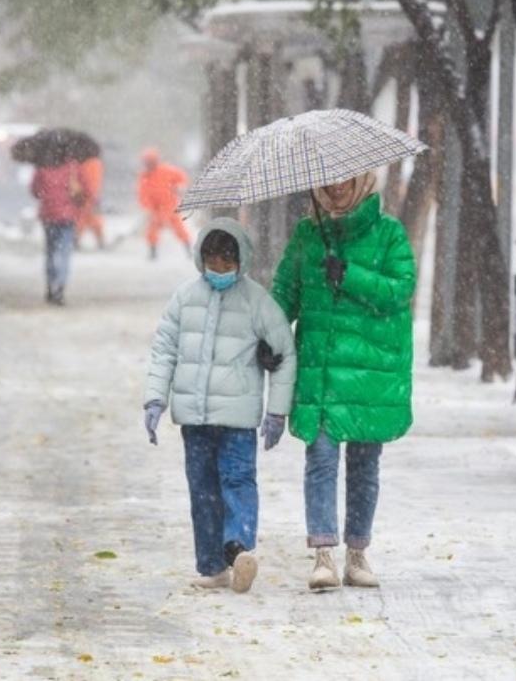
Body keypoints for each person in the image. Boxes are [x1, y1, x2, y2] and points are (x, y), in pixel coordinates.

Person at [271, 172, 416, 590]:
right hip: (321, 370)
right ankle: (322, 554)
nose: (336, 187)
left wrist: (349, 275)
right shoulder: (307, 234)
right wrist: (269, 333)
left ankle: (357, 553)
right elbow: (285, 291)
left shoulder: (389, 234)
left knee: (364, 465)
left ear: (363, 180)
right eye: (328, 180)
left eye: (346, 179)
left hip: (372, 373)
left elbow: (399, 290)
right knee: (320, 459)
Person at [144, 218, 297, 593]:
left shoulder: (257, 301)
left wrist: (277, 410)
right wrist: (155, 397)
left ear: (240, 260)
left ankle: (238, 548)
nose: (219, 268)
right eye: (212, 260)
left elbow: (284, 352)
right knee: (203, 490)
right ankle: (212, 565)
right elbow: (164, 349)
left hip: (238, 418)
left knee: (238, 480)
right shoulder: (184, 298)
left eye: (227, 261)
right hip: (194, 418)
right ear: (201, 258)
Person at [31, 159, 88, 305]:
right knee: (64, 253)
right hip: (67, 216)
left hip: (49, 216)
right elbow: (85, 190)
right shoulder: (74, 166)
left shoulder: (43, 166)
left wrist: (48, 194)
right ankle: (60, 287)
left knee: (50, 252)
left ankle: (50, 286)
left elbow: (35, 191)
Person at [137, 148, 191, 259]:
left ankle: (189, 250)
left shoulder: (167, 170)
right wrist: (147, 208)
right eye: (147, 162)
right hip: (155, 210)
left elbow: (181, 178)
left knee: (179, 229)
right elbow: (143, 194)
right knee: (152, 231)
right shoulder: (144, 176)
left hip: (170, 206)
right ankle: (152, 252)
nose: (149, 164)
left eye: (151, 161)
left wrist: (180, 186)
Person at [74, 155, 106, 249]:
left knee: (82, 220)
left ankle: (76, 241)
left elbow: (88, 182)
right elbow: (93, 182)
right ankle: (100, 242)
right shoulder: (95, 164)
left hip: (84, 198)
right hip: (88, 198)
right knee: (92, 221)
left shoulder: (81, 163)